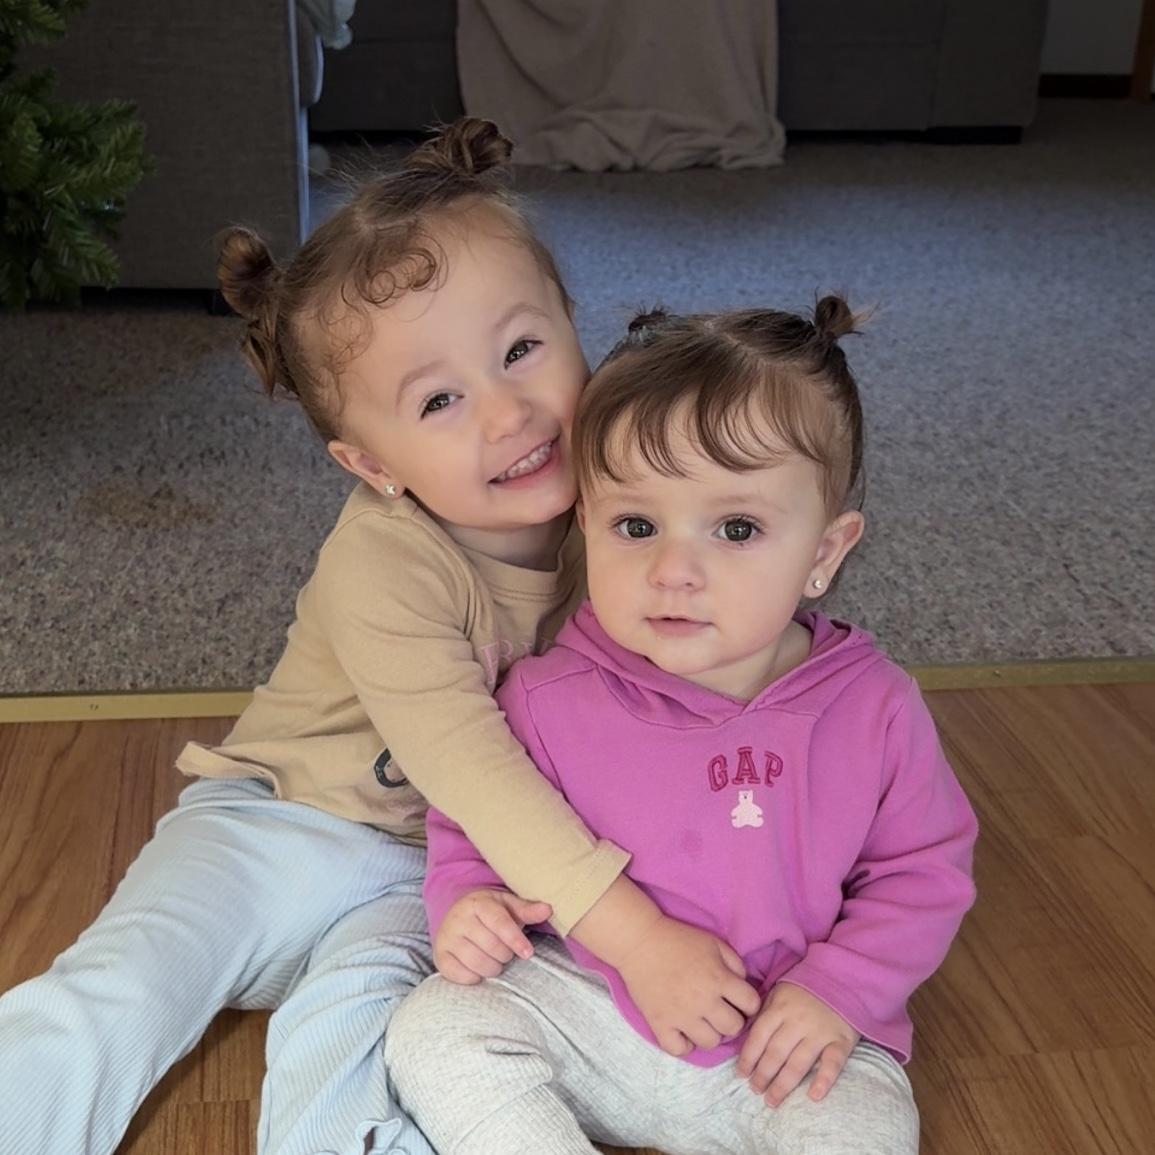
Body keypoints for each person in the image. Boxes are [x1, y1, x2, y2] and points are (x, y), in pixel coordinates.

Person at [0, 121, 763, 1155]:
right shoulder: (383, 563)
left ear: (576, 329)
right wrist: (638, 937)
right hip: (273, 825)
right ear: (372, 465)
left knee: (355, 1033)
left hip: (433, 869)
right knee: (129, 982)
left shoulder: (625, 521)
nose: (507, 413)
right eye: (440, 399)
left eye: (521, 350)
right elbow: (470, 763)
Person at [384, 299, 980, 1154]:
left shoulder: (875, 707)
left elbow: (921, 873)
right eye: (635, 526)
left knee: (867, 1123)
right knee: (433, 1027)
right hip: (584, 1006)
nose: (672, 570)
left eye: (736, 528)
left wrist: (838, 990)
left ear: (823, 553)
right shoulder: (546, 695)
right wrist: (469, 902)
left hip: (779, 1036)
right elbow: (480, 822)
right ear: (585, 523)